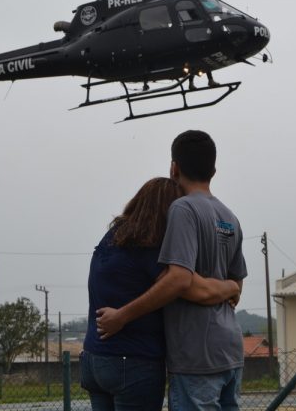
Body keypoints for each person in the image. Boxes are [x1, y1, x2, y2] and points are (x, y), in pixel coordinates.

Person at [97, 131, 247, 410]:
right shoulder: (230, 217)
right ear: (213, 170)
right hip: (231, 350)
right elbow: (236, 285)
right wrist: (228, 287)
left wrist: (122, 316)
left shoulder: (183, 209)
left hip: (195, 356)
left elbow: (178, 279)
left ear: (173, 167)